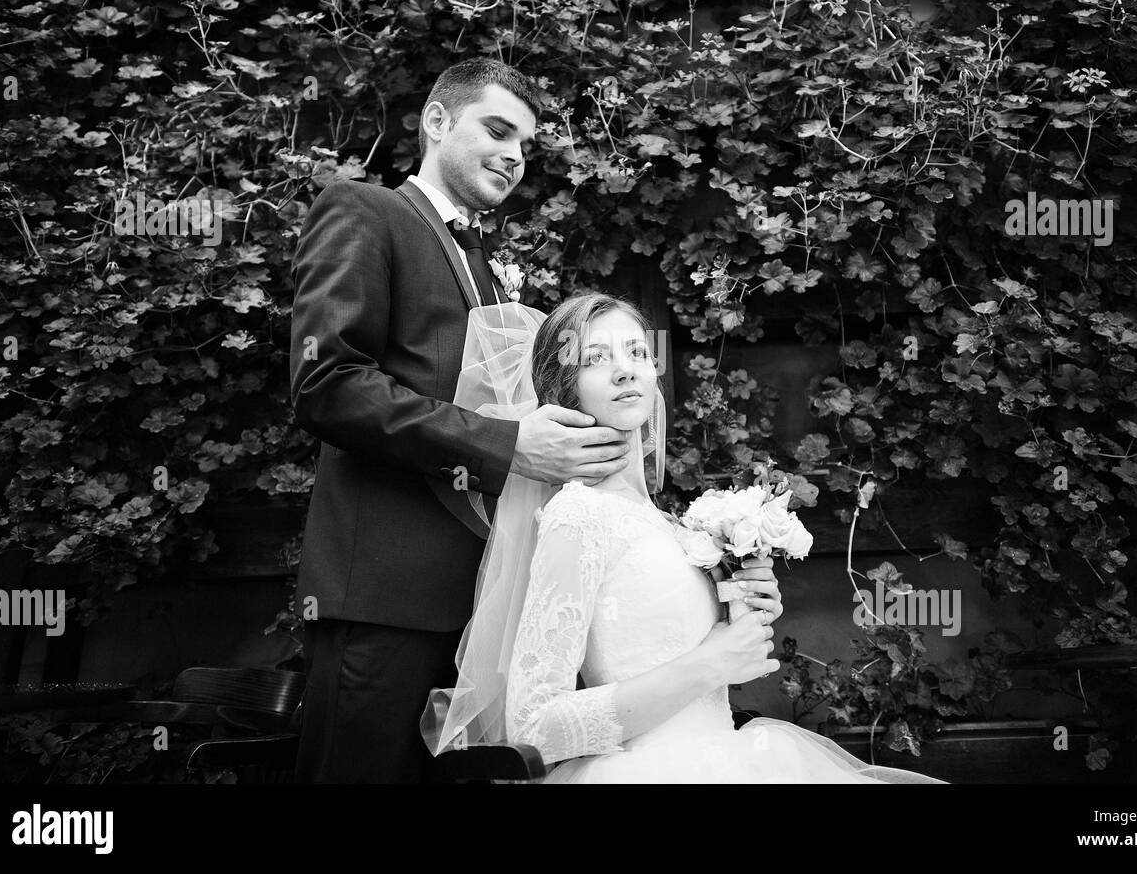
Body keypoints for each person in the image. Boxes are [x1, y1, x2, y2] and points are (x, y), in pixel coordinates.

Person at [423, 294, 949, 783]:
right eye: (595, 358)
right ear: (564, 391)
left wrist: (744, 606)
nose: (626, 366)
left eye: (636, 351)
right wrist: (711, 662)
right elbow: (534, 726)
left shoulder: (672, 525)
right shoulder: (577, 517)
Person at [288, 58, 631, 783]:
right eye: (499, 130)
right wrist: (510, 445)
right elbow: (328, 384)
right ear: (437, 121)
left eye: (526, 146)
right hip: (385, 595)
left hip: (481, 605)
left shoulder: (486, 259)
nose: (514, 156)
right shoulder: (366, 211)